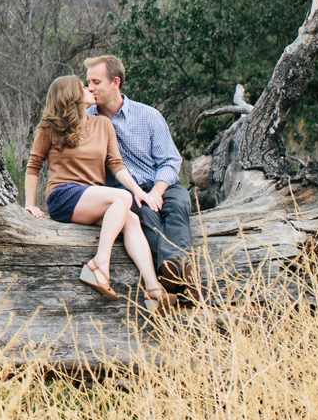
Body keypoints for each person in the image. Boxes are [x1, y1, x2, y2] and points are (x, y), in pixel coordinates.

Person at [23, 74, 167, 307]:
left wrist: (137, 191)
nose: (89, 88)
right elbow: (33, 166)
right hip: (63, 195)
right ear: (71, 95)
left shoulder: (103, 124)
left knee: (130, 219)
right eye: (82, 86)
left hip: (93, 196)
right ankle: (100, 263)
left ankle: (153, 291)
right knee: (121, 197)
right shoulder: (50, 127)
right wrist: (30, 204)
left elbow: (116, 165)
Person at [83, 54, 194, 290]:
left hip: (159, 183)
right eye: (88, 83)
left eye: (96, 82)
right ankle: (179, 279)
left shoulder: (148, 115)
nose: (90, 88)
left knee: (178, 206)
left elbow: (170, 160)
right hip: (123, 190)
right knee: (147, 217)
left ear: (115, 82)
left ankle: (175, 266)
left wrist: (157, 191)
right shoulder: (87, 119)